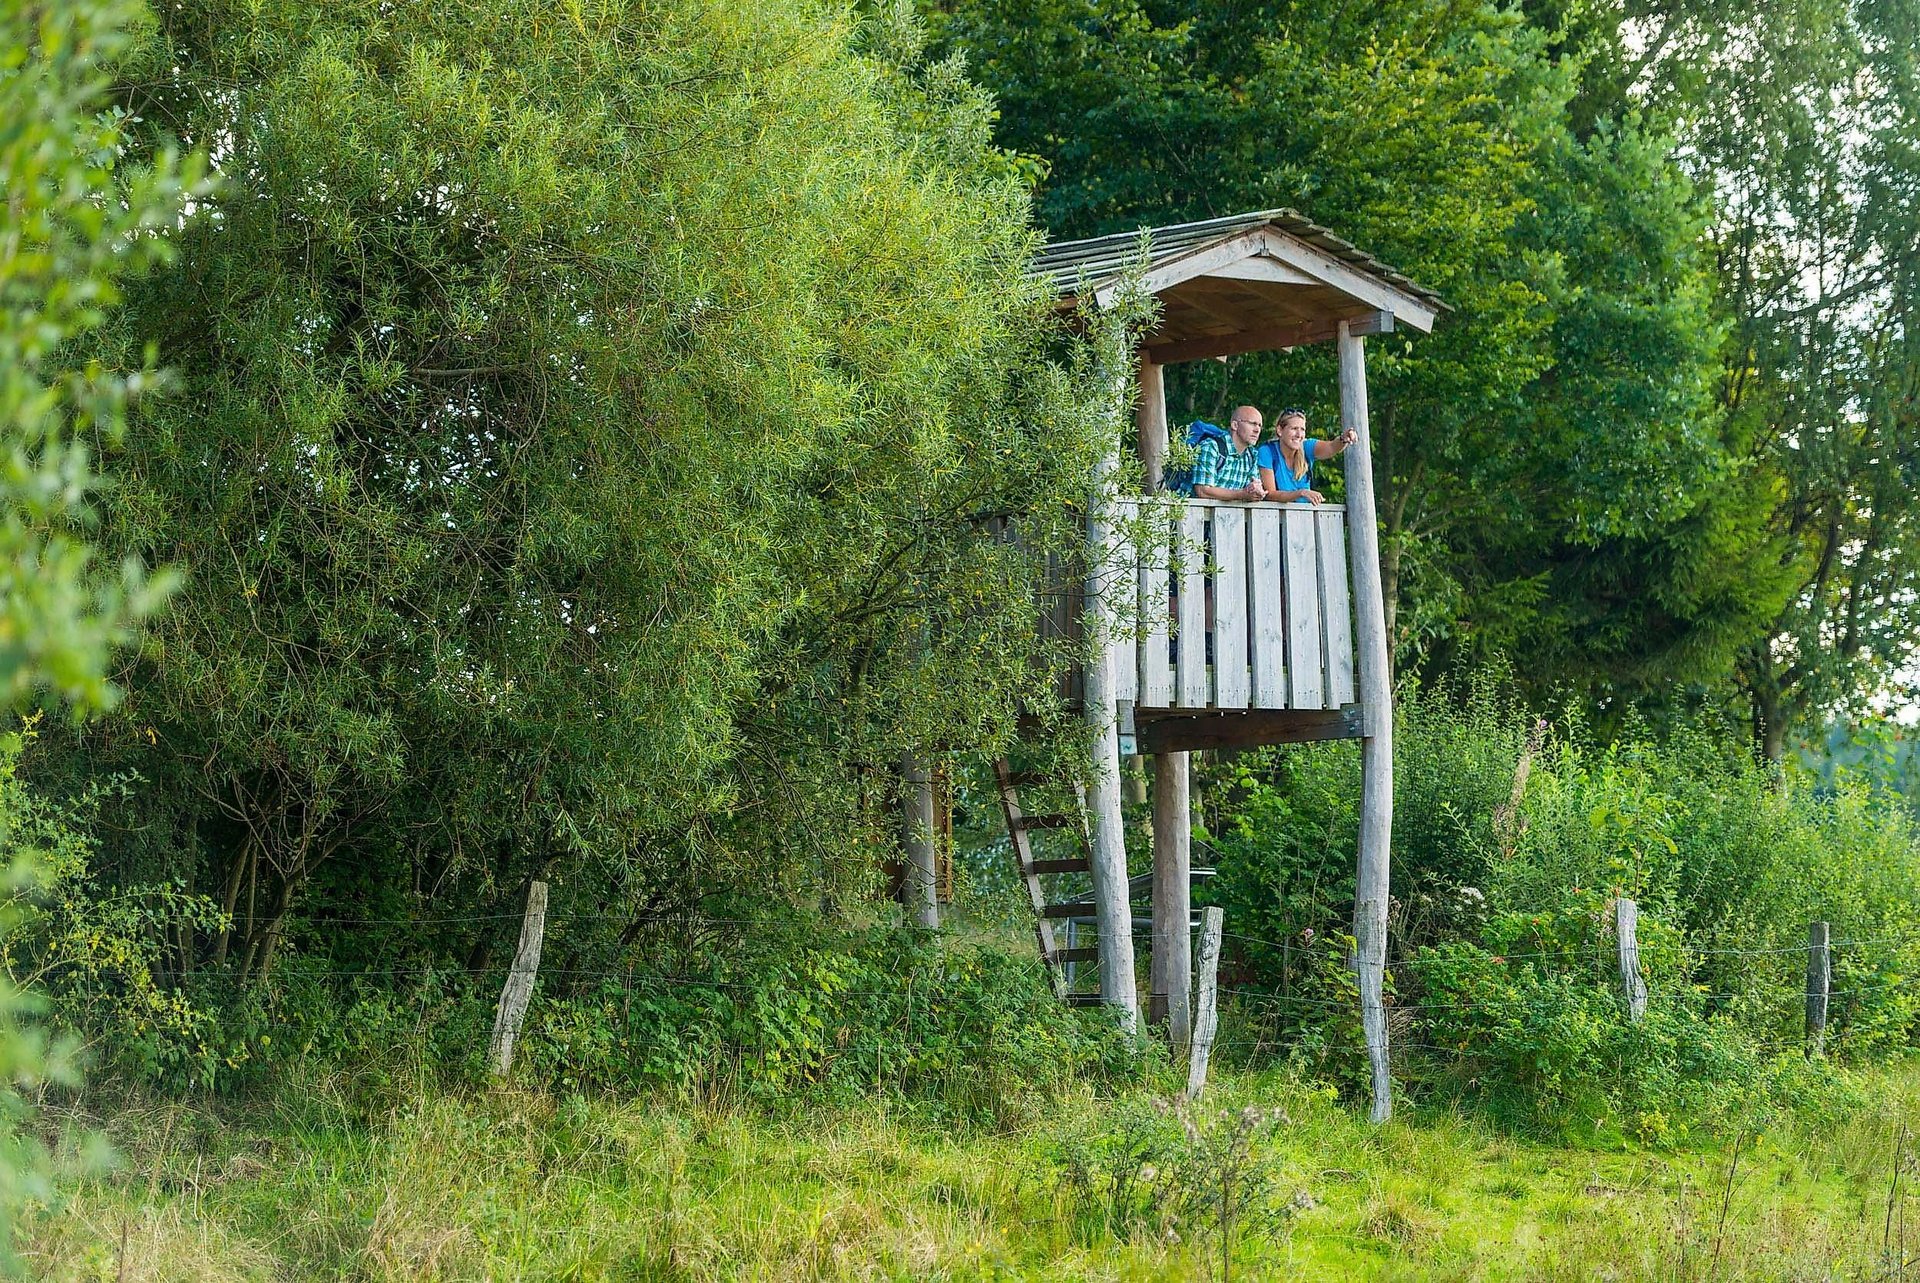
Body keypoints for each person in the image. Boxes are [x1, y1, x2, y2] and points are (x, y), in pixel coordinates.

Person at [1258, 407, 1357, 504]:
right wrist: (1301, 493)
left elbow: (1331, 447)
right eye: (1294, 428)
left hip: (1305, 517)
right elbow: (1270, 495)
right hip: (1276, 517)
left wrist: (1344, 439)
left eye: (1302, 429)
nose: (1299, 434)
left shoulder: (1306, 447)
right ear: (1279, 430)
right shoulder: (1267, 451)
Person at [1191, 405, 1267, 501]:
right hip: (1192, 513)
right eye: (1252, 423)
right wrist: (1242, 494)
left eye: (1260, 425)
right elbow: (1202, 490)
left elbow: (1251, 488)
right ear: (1235, 425)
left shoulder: (1252, 455)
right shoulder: (1212, 446)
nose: (1257, 430)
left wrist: (1257, 491)